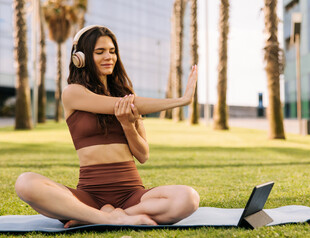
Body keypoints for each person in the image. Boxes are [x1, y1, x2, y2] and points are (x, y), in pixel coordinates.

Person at [14, 25, 199, 227]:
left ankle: (98, 217)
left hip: (131, 194)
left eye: (112, 51)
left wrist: (127, 125)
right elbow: (128, 104)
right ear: (80, 58)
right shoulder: (73, 93)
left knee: (188, 197)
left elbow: (143, 155)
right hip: (88, 196)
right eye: (99, 52)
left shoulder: (126, 95)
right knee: (25, 183)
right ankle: (107, 218)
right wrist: (181, 100)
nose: (108, 57)